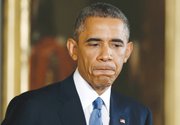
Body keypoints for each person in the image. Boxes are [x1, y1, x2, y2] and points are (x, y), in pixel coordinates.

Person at [1, 2, 153, 125]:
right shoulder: (31, 108)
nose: (106, 55)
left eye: (116, 45)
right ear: (73, 49)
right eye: (94, 44)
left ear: (127, 52)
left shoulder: (138, 115)